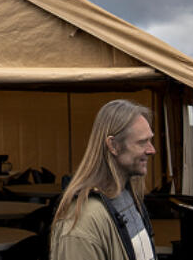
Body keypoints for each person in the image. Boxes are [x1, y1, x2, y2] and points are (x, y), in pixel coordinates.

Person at [50, 99, 157, 260]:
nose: (152, 150)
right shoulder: (82, 224)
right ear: (113, 145)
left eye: (150, 140)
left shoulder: (129, 197)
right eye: (142, 142)